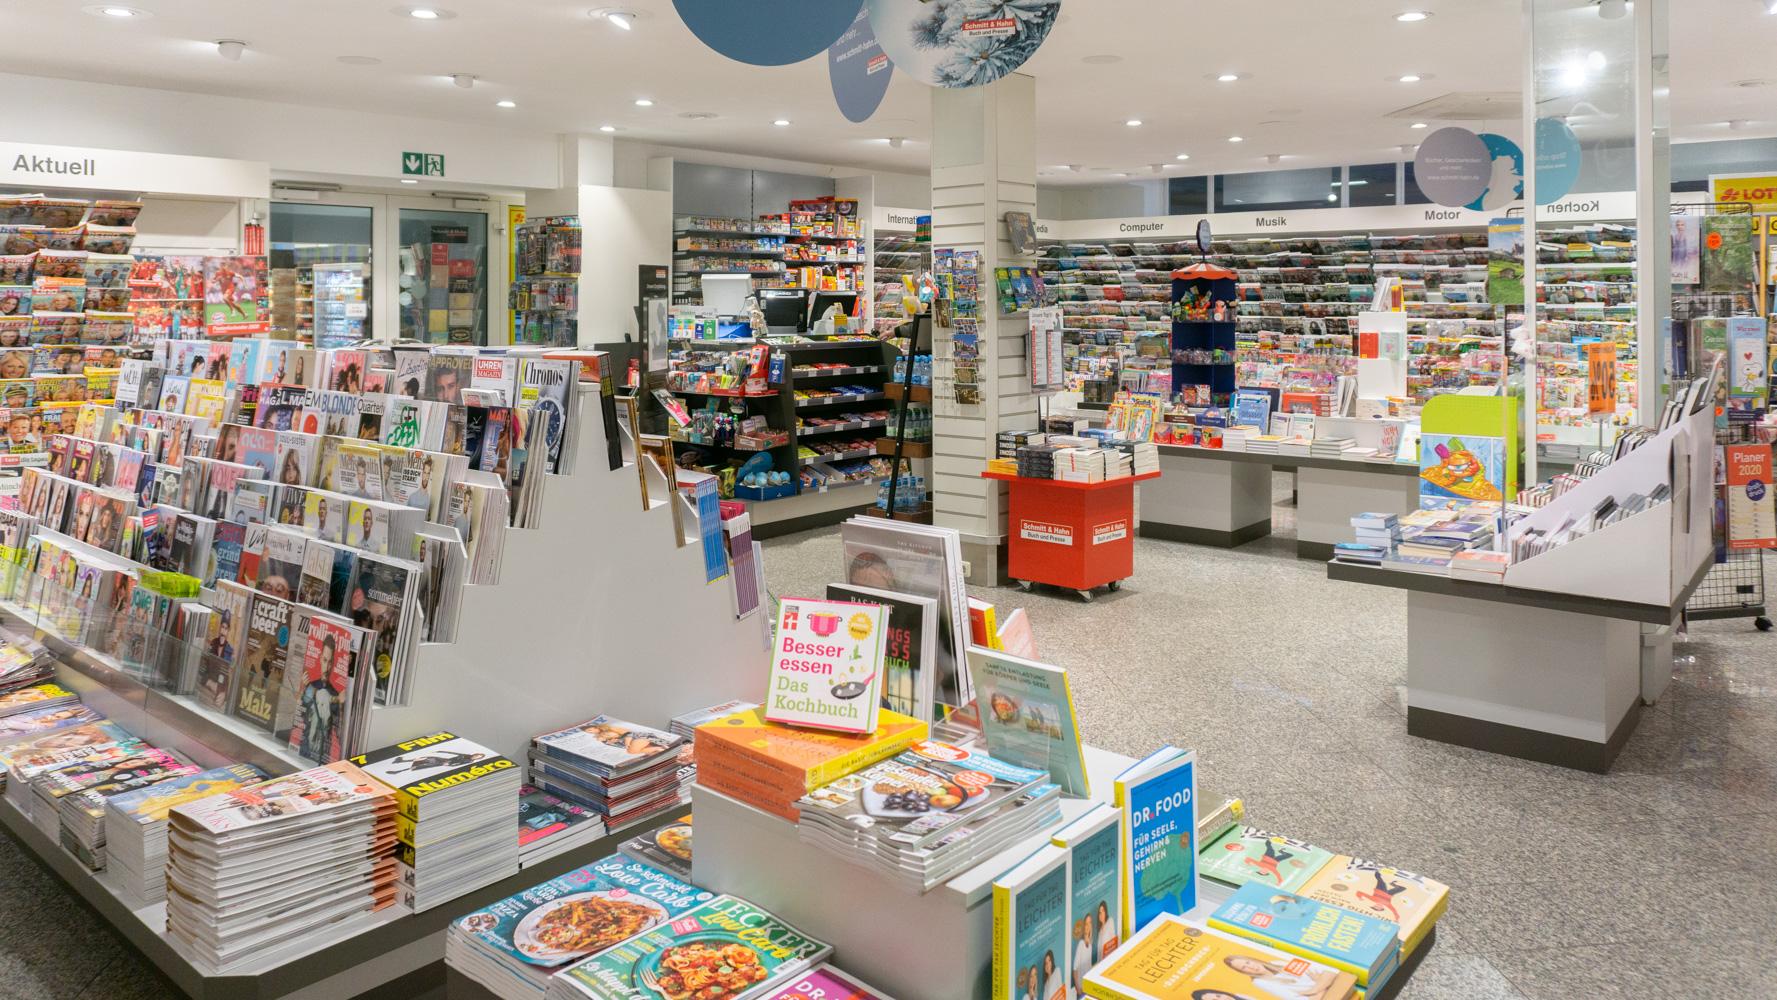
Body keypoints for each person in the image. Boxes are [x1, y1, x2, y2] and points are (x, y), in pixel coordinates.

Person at [1221, 955, 1344, 1000]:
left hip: (1339, 986)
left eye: (1247, 962)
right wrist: (1323, 983)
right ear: (1243, 972)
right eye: (1244, 968)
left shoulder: (1277, 963)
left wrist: (1314, 989)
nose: (1251, 967)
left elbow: (1329, 972)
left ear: (1251, 959)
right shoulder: (1259, 982)